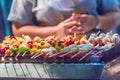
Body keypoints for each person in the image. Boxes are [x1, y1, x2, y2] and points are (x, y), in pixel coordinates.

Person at [8, 0, 120, 39]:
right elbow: (18, 28)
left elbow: (116, 16)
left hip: (100, 56)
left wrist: (95, 21)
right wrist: (55, 32)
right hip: (48, 59)